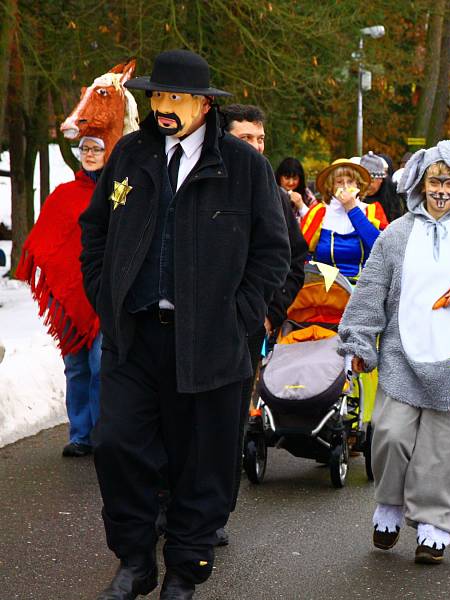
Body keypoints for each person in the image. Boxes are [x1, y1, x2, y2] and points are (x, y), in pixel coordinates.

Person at [80, 49, 290, 599]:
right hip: (136, 336)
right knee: (117, 445)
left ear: (203, 103)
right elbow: (95, 230)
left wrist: (243, 315)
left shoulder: (245, 167)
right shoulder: (130, 155)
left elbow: (273, 252)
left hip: (211, 343)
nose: (163, 107)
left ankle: (184, 569)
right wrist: (107, 295)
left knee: (202, 463)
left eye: (175, 97)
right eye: (156, 96)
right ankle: (133, 561)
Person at [338, 140, 450, 564]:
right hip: (402, 354)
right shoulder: (395, 235)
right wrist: (358, 340)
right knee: (390, 435)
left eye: (449, 181)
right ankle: (390, 506)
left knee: (442, 449)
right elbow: (371, 290)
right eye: (435, 180)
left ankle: (434, 524)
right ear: (419, 182)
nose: (441, 190)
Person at [218, 103, 307, 546]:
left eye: (260, 140)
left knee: (228, 418)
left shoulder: (269, 193)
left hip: (245, 326)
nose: (255, 148)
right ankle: (168, 502)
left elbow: (294, 258)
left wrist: (270, 312)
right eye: (245, 139)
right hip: (184, 324)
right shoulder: (199, 179)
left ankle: (213, 513)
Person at [16, 136, 106, 458]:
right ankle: (81, 435)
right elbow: (47, 244)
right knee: (76, 366)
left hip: (105, 298)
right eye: (86, 149)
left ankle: (103, 434)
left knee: (100, 365)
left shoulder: (118, 195)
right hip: (71, 301)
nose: (90, 155)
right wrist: (57, 289)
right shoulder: (63, 195)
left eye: (97, 149)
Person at [300, 158, 388, 281]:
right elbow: (302, 254)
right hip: (325, 291)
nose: (345, 187)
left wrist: (352, 209)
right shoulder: (318, 213)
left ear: (358, 184)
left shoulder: (372, 211)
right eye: (340, 182)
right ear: (331, 187)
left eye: (350, 181)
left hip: (363, 288)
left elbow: (382, 249)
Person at [360, 151, 405, 222]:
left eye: (371, 181)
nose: (367, 184)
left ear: (381, 179)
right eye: (363, 181)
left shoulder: (396, 198)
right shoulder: (354, 197)